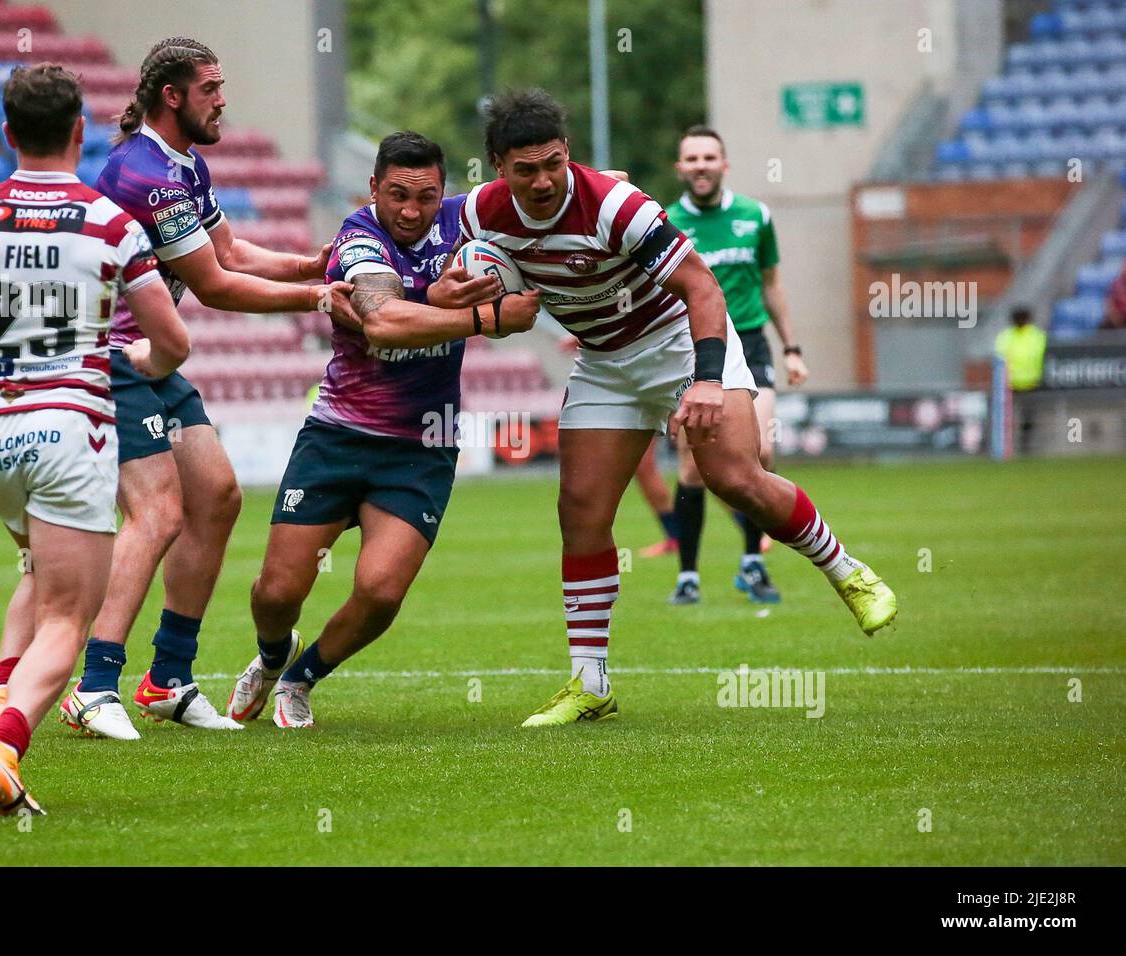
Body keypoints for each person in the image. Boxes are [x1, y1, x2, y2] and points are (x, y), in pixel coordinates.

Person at [435, 89, 897, 727]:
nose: (542, 181)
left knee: (736, 480)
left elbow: (702, 287)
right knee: (580, 511)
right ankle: (590, 683)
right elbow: (421, 246)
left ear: (568, 153)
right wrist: (451, 291)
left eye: (553, 164)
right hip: (605, 361)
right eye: (525, 169)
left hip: (681, 345)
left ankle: (848, 571)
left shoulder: (616, 206)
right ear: (495, 166)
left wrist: (707, 382)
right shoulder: (480, 213)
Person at [0, 64, 190, 814]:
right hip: (70, 431)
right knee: (67, 617)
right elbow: (171, 339)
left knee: (35, 567)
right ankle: (4, 747)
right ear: (81, 131)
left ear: (8, 133)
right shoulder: (112, 224)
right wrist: (146, 360)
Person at [58, 37, 357, 739]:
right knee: (158, 514)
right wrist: (316, 298)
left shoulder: (183, 164)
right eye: (211, 89)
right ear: (172, 96)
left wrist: (307, 263)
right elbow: (216, 285)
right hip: (108, 355)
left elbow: (230, 251)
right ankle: (94, 685)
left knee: (216, 497)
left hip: (150, 358)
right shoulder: (145, 175)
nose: (223, 100)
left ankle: (167, 677)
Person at [225, 131, 536, 728]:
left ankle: (301, 676)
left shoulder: (464, 220)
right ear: (373, 189)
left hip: (423, 443)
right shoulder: (358, 237)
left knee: (381, 592)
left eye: (426, 197)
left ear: (445, 192)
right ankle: (271, 655)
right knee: (278, 593)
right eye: (397, 195)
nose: (412, 211)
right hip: (339, 435)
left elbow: (554, 184)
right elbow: (385, 323)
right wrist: (487, 316)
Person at [662, 125, 808, 605]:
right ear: (680, 168)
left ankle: (752, 561)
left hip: (750, 342)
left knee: (759, 452)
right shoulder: (664, 223)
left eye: (709, 157)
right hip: (693, 347)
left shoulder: (755, 216)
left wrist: (792, 348)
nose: (701, 165)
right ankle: (688, 575)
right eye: (692, 158)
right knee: (691, 464)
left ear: (724, 165)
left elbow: (772, 284)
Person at [994, 305, 1046, 454]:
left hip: (1031, 383)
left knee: (1028, 418)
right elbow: (999, 359)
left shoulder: (1036, 336)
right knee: (1006, 418)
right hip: (1009, 385)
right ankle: (1004, 447)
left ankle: (1025, 446)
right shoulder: (1006, 336)